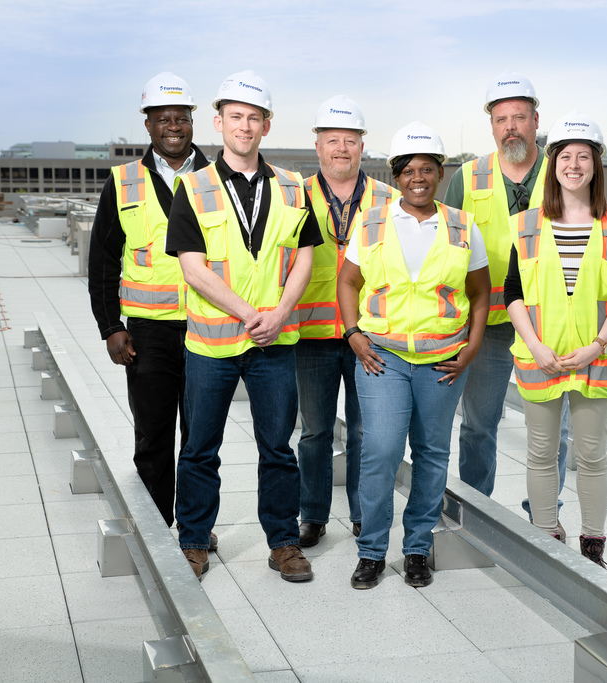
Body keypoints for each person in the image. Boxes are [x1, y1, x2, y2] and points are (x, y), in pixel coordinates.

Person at [165, 70, 323, 581]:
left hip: (274, 343)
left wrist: (278, 315)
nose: (244, 126)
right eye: (235, 117)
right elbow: (193, 267)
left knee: (277, 448)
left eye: (254, 118)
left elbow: (305, 258)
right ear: (218, 122)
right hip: (212, 345)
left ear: (267, 126)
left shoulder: (294, 188)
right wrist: (249, 313)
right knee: (199, 448)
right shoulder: (193, 187)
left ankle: (282, 542)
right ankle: (193, 540)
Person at [337, 122, 490, 589]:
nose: (417, 178)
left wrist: (472, 348)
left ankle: (418, 548)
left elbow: (481, 294)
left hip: (443, 362)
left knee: (430, 453)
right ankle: (371, 552)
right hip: (382, 358)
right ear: (397, 175)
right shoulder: (373, 222)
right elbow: (346, 282)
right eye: (408, 170)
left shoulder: (464, 227)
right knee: (381, 450)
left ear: (440, 173)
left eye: (427, 169)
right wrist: (353, 334)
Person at [504, 113, 607, 570]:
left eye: (584, 156)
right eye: (566, 156)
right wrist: (536, 346)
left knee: (591, 454)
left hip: (595, 359)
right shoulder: (524, 225)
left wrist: (597, 345)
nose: (574, 164)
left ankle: (593, 545)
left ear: (596, 165)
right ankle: (545, 535)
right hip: (540, 357)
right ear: (552, 163)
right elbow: (512, 293)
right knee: (541, 452)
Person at [87, 73, 215, 550]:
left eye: (181, 118)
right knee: (154, 438)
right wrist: (109, 327)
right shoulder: (123, 181)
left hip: (208, 328)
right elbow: (101, 258)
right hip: (148, 333)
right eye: (164, 119)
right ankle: (159, 534)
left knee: (200, 440)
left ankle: (196, 531)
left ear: (192, 121)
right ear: (148, 124)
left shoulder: (216, 178)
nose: (174, 126)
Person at [443, 71, 570, 508]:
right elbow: (448, 251)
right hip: (490, 327)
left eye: (519, 117)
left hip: (549, 324)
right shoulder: (467, 177)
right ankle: (476, 510)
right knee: (479, 424)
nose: (510, 127)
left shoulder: (565, 173)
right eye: (501, 119)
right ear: (491, 125)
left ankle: (544, 514)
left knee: (555, 430)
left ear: (537, 120)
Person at [294, 96, 400, 547]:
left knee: (364, 431)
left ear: (362, 146)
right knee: (315, 432)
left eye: (350, 141)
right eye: (333, 140)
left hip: (369, 336)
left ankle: (361, 513)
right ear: (317, 145)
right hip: (312, 335)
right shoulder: (295, 194)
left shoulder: (387, 199)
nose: (342, 148)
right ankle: (313, 515)